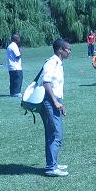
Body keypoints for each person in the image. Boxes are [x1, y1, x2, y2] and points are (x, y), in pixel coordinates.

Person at [39, 39, 71, 177]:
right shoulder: (52, 62)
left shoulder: (58, 63)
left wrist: (59, 103)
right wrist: (55, 102)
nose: (69, 51)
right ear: (59, 49)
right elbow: (46, 83)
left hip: (54, 100)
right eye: (67, 49)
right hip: (49, 100)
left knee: (52, 133)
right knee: (56, 133)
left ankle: (53, 163)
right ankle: (51, 167)